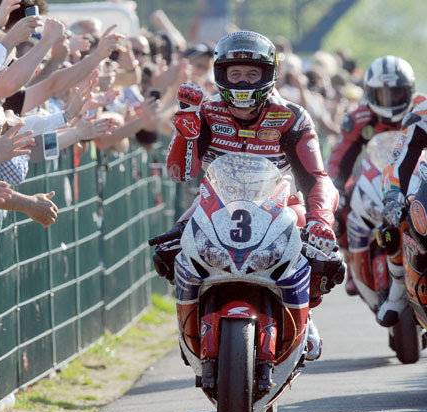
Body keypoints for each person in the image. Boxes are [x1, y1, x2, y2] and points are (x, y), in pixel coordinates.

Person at [165, 31, 343, 360]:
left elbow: (317, 178)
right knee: (167, 251)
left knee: (323, 256)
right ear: (222, 75)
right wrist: (184, 131)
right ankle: (191, 325)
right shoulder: (205, 112)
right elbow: (181, 174)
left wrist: (321, 222)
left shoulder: (292, 116)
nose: (244, 82)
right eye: (236, 74)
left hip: (281, 202)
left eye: (252, 74)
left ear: (268, 75)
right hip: (214, 200)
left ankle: (307, 314)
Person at [327, 55, 423, 296]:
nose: (390, 100)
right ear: (370, 94)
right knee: (341, 207)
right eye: (383, 94)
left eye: (397, 93)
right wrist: (335, 187)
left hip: (415, 177)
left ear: (409, 91)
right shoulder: (358, 119)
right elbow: (340, 158)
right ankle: (350, 262)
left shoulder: (421, 109)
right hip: (371, 177)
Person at [379, 98, 427, 326]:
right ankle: (397, 290)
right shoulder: (421, 114)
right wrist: (393, 197)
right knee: (394, 221)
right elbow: (398, 162)